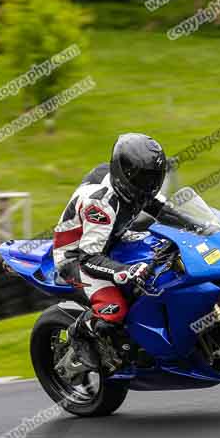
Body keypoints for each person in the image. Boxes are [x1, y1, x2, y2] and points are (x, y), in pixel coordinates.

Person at [52, 133, 174, 379]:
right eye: (142, 177)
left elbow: (164, 210)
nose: (148, 184)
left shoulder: (134, 188)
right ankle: (81, 335)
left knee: (164, 266)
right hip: (76, 256)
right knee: (114, 309)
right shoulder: (101, 204)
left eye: (153, 178)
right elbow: (89, 257)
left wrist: (203, 225)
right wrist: (124, 272)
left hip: (112, 240)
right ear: (123, 172)